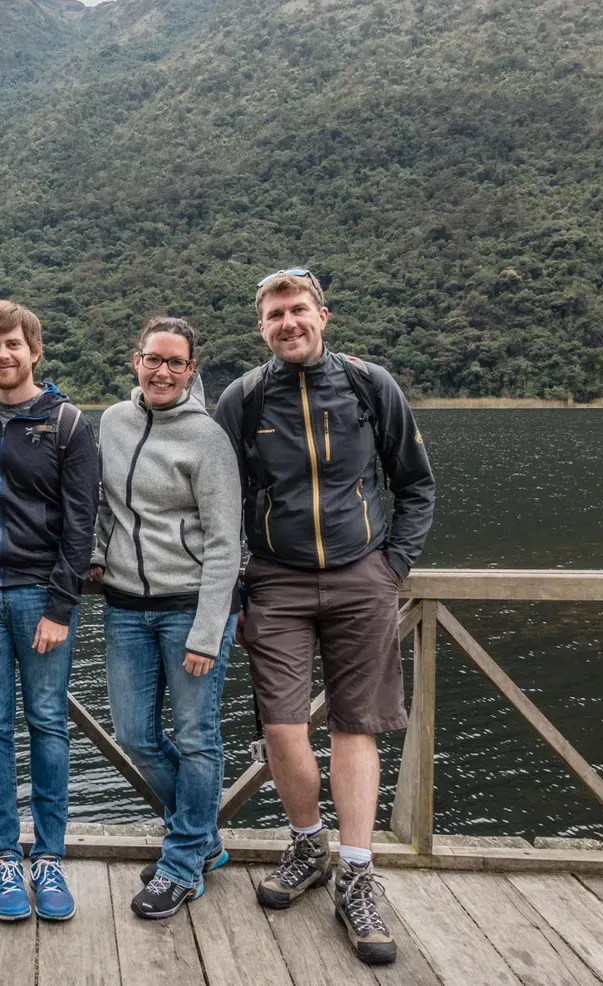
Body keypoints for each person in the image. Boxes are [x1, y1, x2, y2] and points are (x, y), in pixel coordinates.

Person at [213, 268, 435, 965]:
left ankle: (359, 872)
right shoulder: (243, 398)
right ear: (262, 327)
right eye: (275, 314)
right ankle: (308, 843)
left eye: (298, 309)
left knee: (354, 725)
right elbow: (224, 501)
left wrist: (393, 565)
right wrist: (237, 585)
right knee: (282, 727)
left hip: (361, 575)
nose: (288, 322)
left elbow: (416, 484)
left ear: (323, 314)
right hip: (275, 581)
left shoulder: (372, 386)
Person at [89, 316, 242, 920]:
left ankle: (181, 865)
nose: (163, 371)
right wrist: (99, 557)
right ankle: (201, 838)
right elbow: (105, 506)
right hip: (126, 607)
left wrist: (208, 630)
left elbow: (225, 544)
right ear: (136, 361)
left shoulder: (208, 439)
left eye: (176, 363)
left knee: (199, 737)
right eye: (155, 359)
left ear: (190, 371)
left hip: (188, 611)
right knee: (134, 735)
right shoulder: (113, 423)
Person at [0, 300, 99, 922]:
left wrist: (61, 605)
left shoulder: (66, 423)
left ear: (34, 351)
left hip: (42, 594)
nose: (3, 354)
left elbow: (81, 521)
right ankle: (5, 858)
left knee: (46, 723)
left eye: (13, 344)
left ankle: (51, 857)